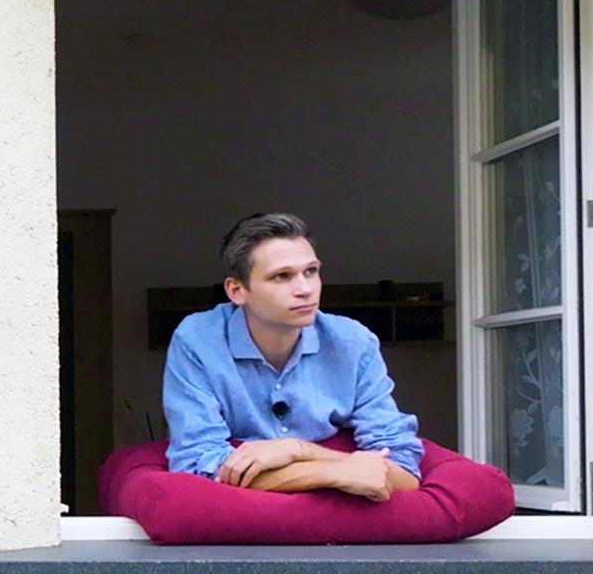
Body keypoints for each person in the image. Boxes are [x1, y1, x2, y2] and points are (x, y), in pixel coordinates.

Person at [162, 211, 423, 502]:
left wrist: (297, 449)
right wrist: (332, 473)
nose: (305, 289)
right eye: (282, 276)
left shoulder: (354, 342)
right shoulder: (197, 341)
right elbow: (196, 464)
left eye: (311, 271)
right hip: (243, 516)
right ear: (237, 290)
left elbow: (403, 469)